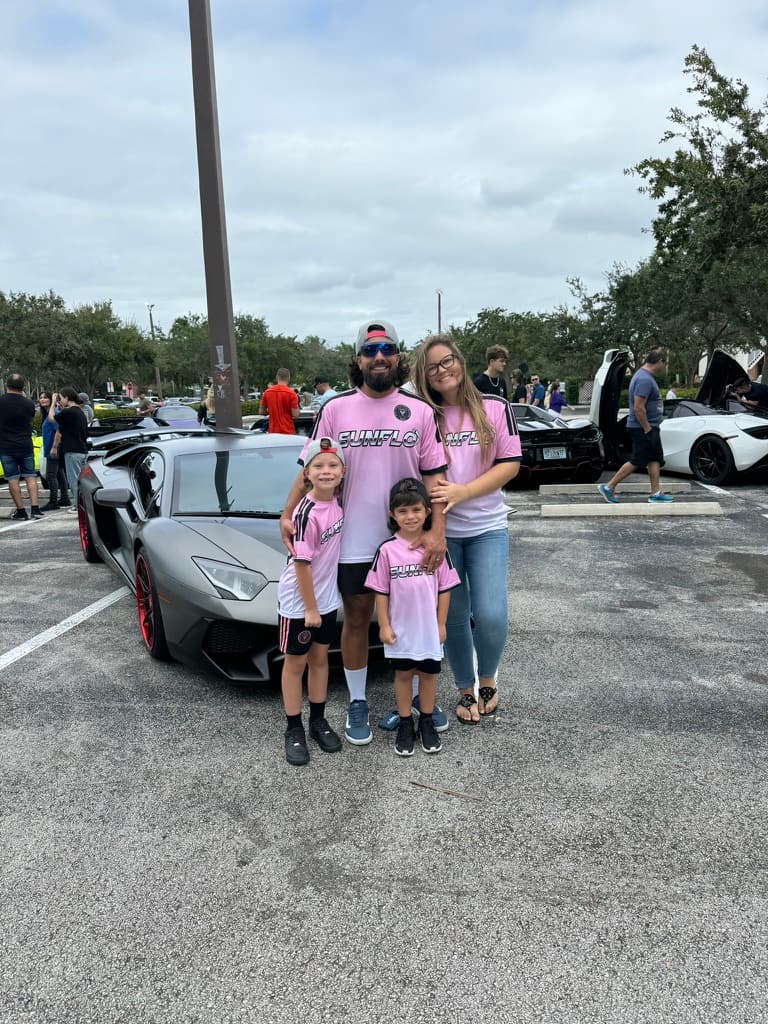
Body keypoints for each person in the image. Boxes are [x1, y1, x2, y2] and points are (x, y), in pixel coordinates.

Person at [279, 318, 448, 747]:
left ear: (398, 356)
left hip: (408, 540)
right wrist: (287, 512)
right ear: (358, 360)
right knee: (356, 619)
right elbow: (310, 468)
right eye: (370, 351)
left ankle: (416, 701)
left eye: (387, 349)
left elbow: (436, 481)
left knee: (414, 617)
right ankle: (358, 701)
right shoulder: (335, 409)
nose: (379, 357)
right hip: (351, 539)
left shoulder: (420, 411)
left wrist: (438, 532)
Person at [409, 335, 522, 723]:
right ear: (423, 376)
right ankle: (464, 688)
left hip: (487, 527)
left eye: (447, 361)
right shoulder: (426, 416)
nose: (442, 371)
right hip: (444, 532)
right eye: (432, 367)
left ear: (459, 360)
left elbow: (510, 464)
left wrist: (464, 491)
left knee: (491, 613)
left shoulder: (494, 407)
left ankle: (487, 677)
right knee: (454, 614)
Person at [365, 479, 460, 756]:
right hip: (400, 630)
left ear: (428, 511)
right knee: (403, 675)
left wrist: (440, 623)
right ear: (392, 515)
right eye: (403, 511)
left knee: (428, 676)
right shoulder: (386, 550)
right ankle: (406, 723)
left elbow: (445, 589)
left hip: (428, 629)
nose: (410, 516)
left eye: (416, 510)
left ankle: (426, 722)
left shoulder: (436, 548)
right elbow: (381, 591)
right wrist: (384, 625)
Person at [277, 437, 346, 766]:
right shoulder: (305, 513)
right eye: (318, 465)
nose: (326, 471)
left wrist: (322, 604)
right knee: (296, 664)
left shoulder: (337, 503)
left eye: (333, 465)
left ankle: (318, 720)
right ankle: (293, 728)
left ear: (343, 472)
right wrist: (310, 608)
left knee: (320, 660)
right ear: (306, 473)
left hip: (326, 598)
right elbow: (302, 565)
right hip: (300, 602)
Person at [598, 350, 673, 504]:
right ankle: (608, 486)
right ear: (659, 361)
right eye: (664, 362)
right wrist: (647, 429)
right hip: (643, 427)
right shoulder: (644, 379)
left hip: (650, 426)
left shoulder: (644, 376)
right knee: (637, 460)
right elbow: (639, 408)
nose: (664, 366)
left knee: (654, 458)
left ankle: (655, 493)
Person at [0, 373, 44, 520]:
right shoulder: (28, 404)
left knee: (12, 478)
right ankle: (35, 508)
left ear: (7, 385)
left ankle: (21, 511)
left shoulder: (1, 402)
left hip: (6, 446)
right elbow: (31, 417)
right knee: (30, 476)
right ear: (23, 387)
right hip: (25, 444)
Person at [49, 388, 89, 509]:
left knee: (73, 480)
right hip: (82, 450)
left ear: (67, 397)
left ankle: (78, 506)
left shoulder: (69, 412)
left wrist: (52, 403)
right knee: (82, 481)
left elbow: (51, 419)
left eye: (61, 398)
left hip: (72, 451)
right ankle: (84, 505)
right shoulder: (80, 412)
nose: (60, 401)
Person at [38, 391, 71, 511]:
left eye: (45, 397)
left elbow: (59, 431)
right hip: (52, 449)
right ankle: (65, 498)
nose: (42, 400)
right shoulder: (48, 414)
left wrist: (54, 447)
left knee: (51, 476)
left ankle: (53, 502)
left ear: (51, 400)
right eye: (41, 398)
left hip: (54, 449)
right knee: (59, 474)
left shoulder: (54, 413)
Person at [260, 369, 300, 434]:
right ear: (288, 378)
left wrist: (272, 411)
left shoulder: (267, 392)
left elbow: (261, 412)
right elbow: (295, 415)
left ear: (277, 377)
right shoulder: (292, 394)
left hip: (273, 432)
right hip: (288, 432)